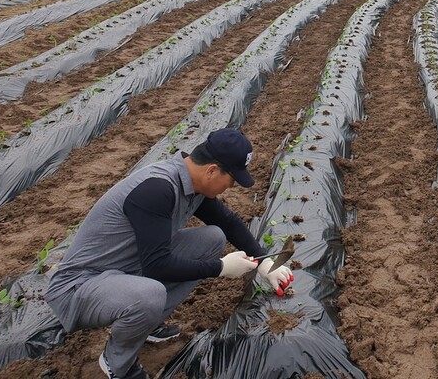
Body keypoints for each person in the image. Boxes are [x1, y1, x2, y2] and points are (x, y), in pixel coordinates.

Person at [45, 129, 294, 379]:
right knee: (150, 294)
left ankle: (147, 323)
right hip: (79, 287)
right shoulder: (158, 189)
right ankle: (117, 362)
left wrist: (265, 262)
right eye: (231, 180)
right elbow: (157, 267)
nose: (229, 187)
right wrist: (220, 268)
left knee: (213, 238)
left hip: (123, 269)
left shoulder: (192, 184)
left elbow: (227, 222)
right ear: (211, 170)